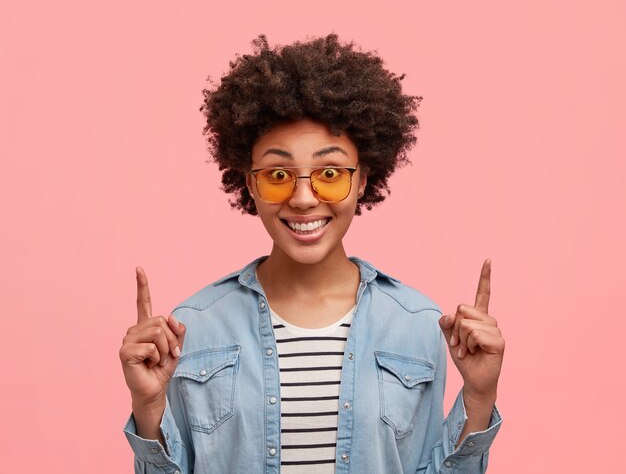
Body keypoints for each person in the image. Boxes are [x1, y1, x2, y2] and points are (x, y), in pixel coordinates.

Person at [119, 34, 504, 473]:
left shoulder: (419, 324)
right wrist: (148, 408)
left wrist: (478, 397)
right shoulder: (193, 326)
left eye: (330, 173)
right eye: (279, 173)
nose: (303, 198)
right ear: (249, 183)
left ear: (362, 181)